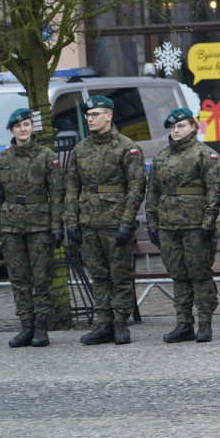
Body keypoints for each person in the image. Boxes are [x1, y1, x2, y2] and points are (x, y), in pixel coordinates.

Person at [65, 95, 147, 346]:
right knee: (98, 276)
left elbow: (136, 187)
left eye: (95, 114)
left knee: (119, 275)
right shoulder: (81, 149)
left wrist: (126, 222)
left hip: (115, 222)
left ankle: (121, 323)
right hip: (89, 222)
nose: (90, 119)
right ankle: (104, 323)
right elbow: (71, 188)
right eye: (88, 115)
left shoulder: (127, 147)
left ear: (109, 115)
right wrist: (72, 221)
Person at [0, 108, 65, 347]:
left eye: (27, 125)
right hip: (11, 225)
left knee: (42, 279)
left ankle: (42, 327)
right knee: (19, 280)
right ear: (12, 130)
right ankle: (26, 326)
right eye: (18, 126)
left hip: (39, 225)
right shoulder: (2, 159)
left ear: (32, 127)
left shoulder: (46, 156)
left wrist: (57, 226)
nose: (23, 129)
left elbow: (57, 193)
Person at [145, 108, 220, 343]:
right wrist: (152, 223)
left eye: (180, 126)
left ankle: (205, 323)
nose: (176, 131)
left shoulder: (205, 155)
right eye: (172, 128)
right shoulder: (161, 157)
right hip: (169, 226)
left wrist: (209, 222)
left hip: (196, 225)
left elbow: (215, 190)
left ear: (193, 126)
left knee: (199, 274)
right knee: (178, 275)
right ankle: (183, 323)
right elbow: (153, 193)